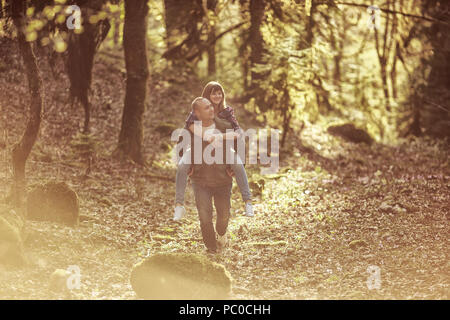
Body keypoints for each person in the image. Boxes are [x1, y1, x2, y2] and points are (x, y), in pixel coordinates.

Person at [173, 81, 253, 221]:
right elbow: (185, 132)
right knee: (181, 166)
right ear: (207, 95)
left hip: (222, 149)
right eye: (213, 93)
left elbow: (238, 134)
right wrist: (184, 158)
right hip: (197, 149)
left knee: (239, 165)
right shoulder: (197, 112)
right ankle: (179, 205)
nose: (217, 96)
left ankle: (248, 202)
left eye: (219, 92)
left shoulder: (227, 112)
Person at [187, 97, 234, 253]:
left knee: (224, 215)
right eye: (206, 108)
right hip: (200, 181)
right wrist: (188, 168)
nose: (211, 109)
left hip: (223, 180)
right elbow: (182, 150)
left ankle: (221, 233)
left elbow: (239, 146)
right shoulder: (191, 129)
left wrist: (234, 168)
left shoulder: (226, 126)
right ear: (197, 112)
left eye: (211, 106)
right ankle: (211, 248)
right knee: (205, 217)